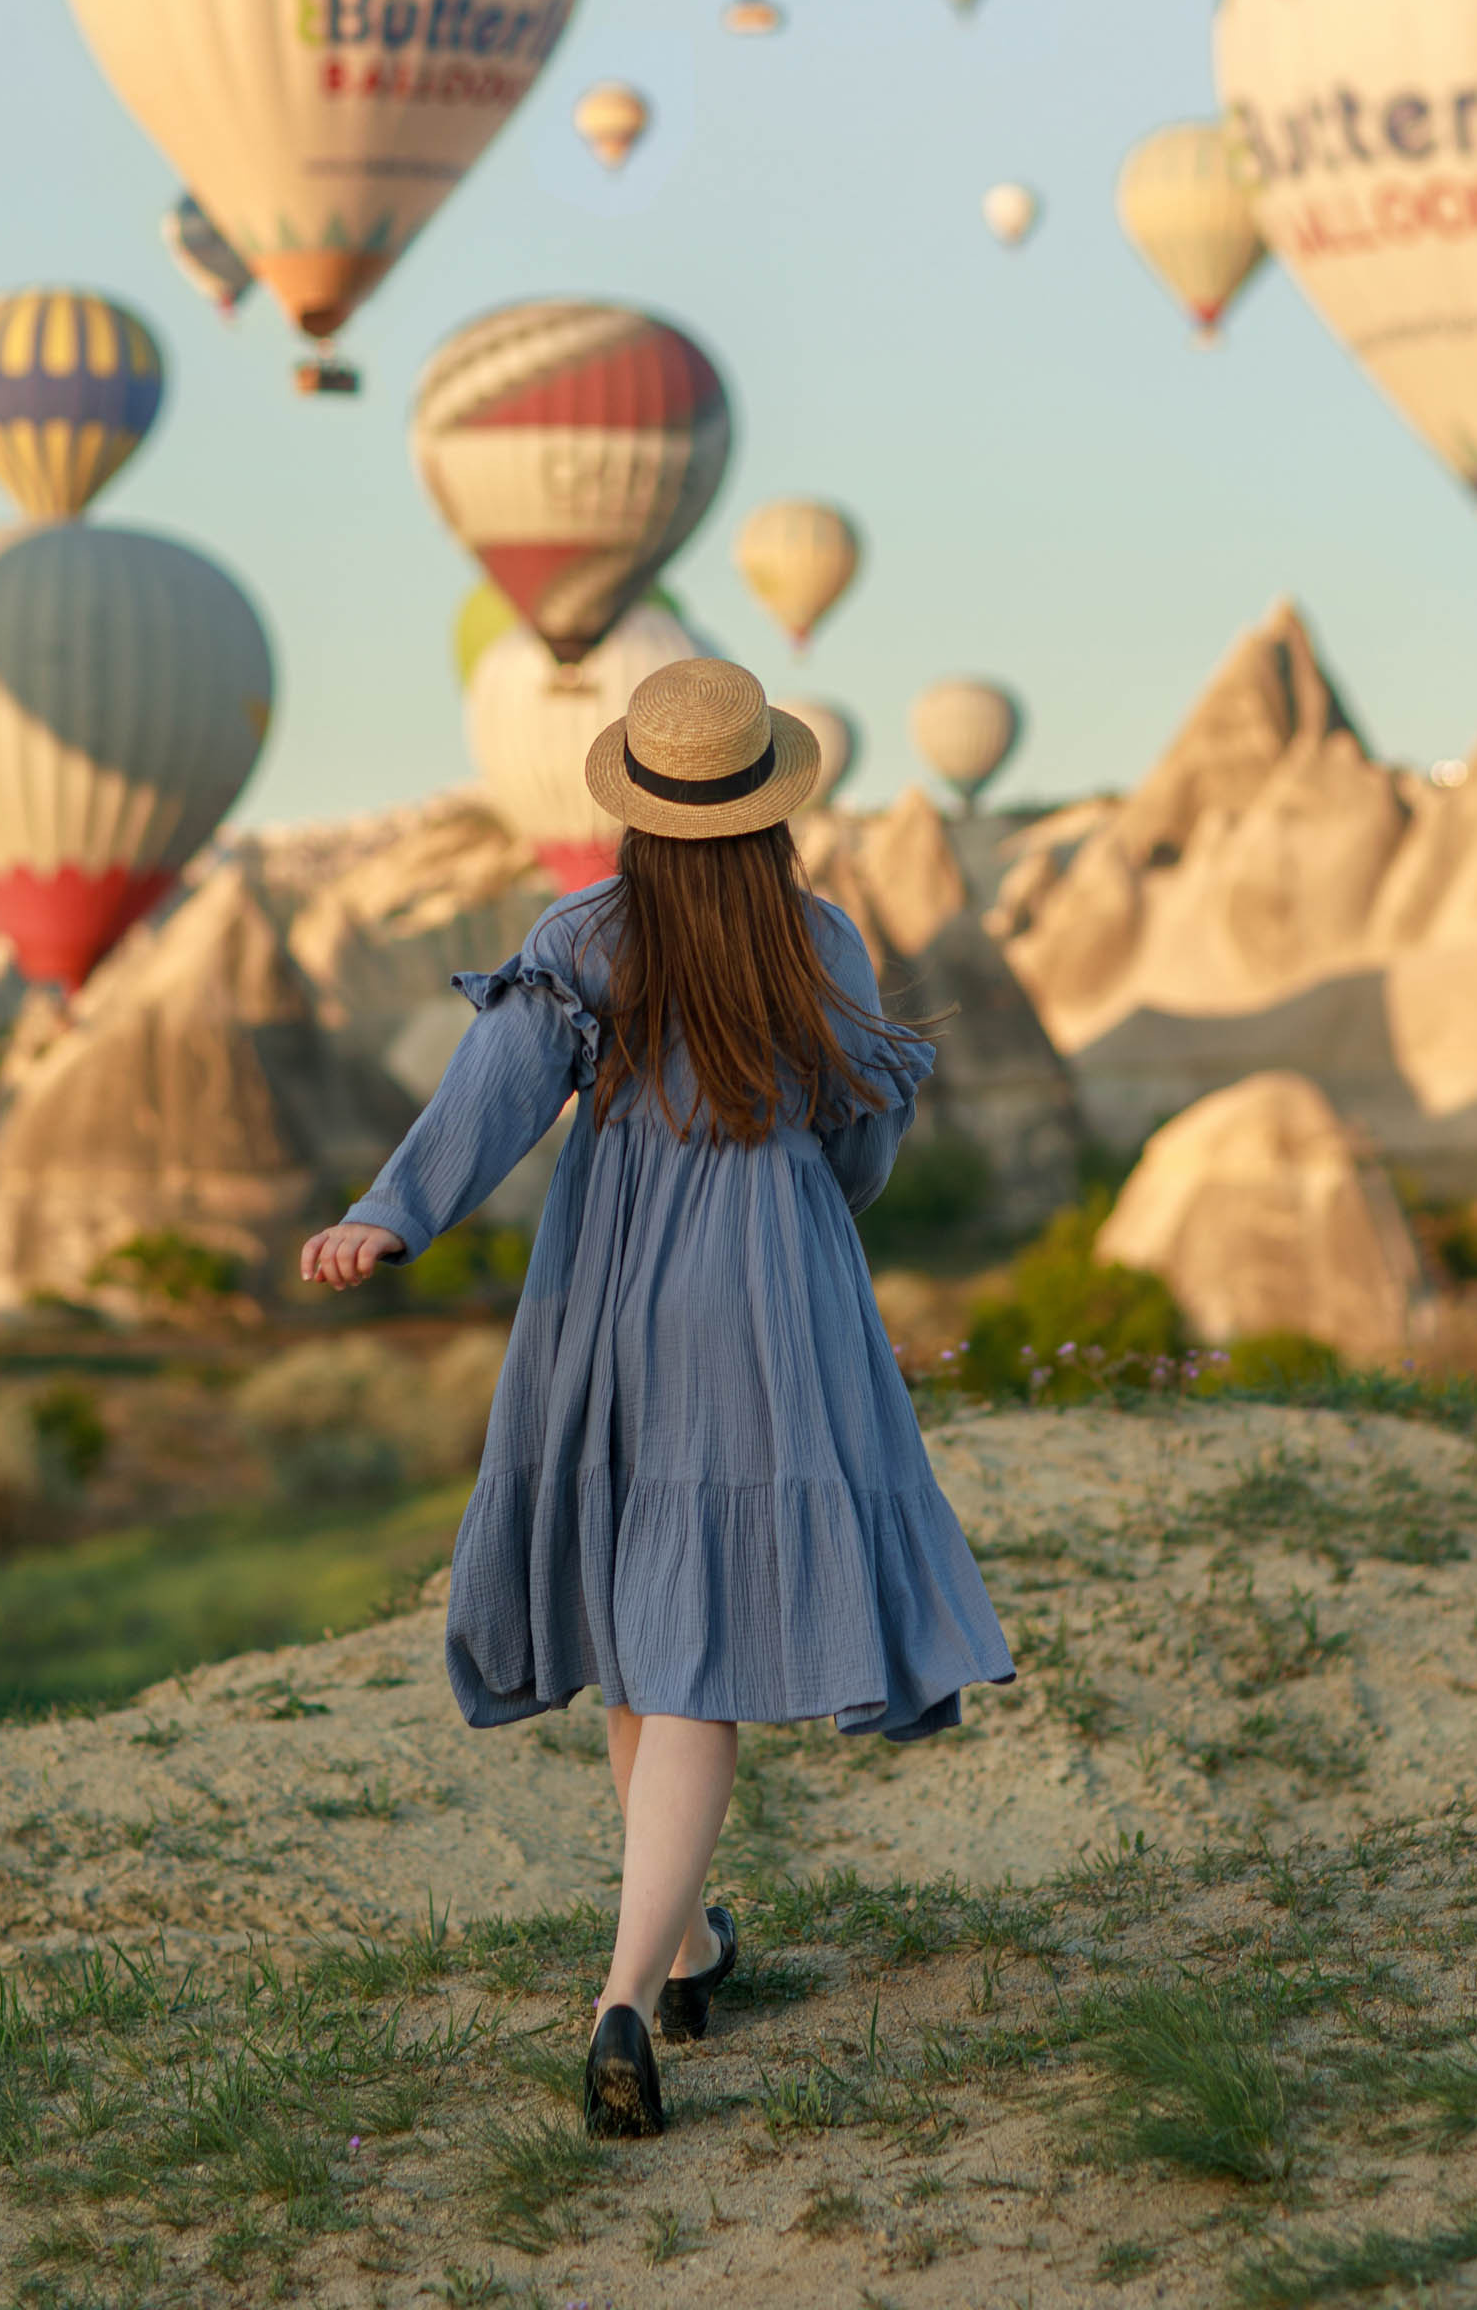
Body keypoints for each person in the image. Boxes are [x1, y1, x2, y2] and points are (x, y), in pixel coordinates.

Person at [303, 658, 1013, 2140]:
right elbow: (862, 1148)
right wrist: (791, 1203)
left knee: (650, 1639)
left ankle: (660, 1968)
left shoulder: (585, 936)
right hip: (775, 1283)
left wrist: (390, 1214)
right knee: (673, 1649)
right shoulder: (821, 943)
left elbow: (493, 1096)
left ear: (637, 807)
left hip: (611, 1287)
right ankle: (651, 1976)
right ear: (771, 806)